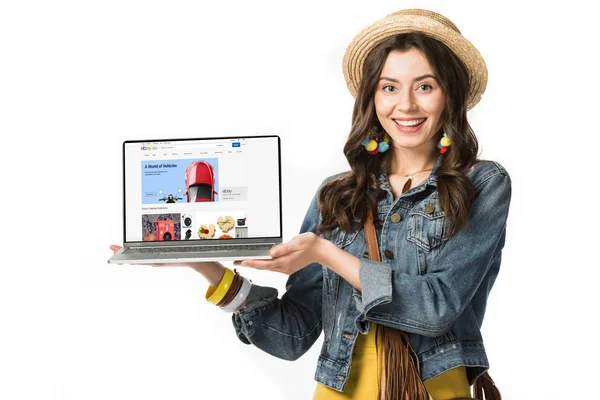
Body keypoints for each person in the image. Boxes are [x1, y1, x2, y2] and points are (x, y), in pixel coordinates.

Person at [111, 8, 511, 400]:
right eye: (389, 87)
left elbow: (435, 308)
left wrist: (325, 253)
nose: (405, 105)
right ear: (372, 97)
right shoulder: (338, 194)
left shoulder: (481, 184)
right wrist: (202, 262)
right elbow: (294, 334)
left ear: (450, 95)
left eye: (425, 86)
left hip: (431, 391)